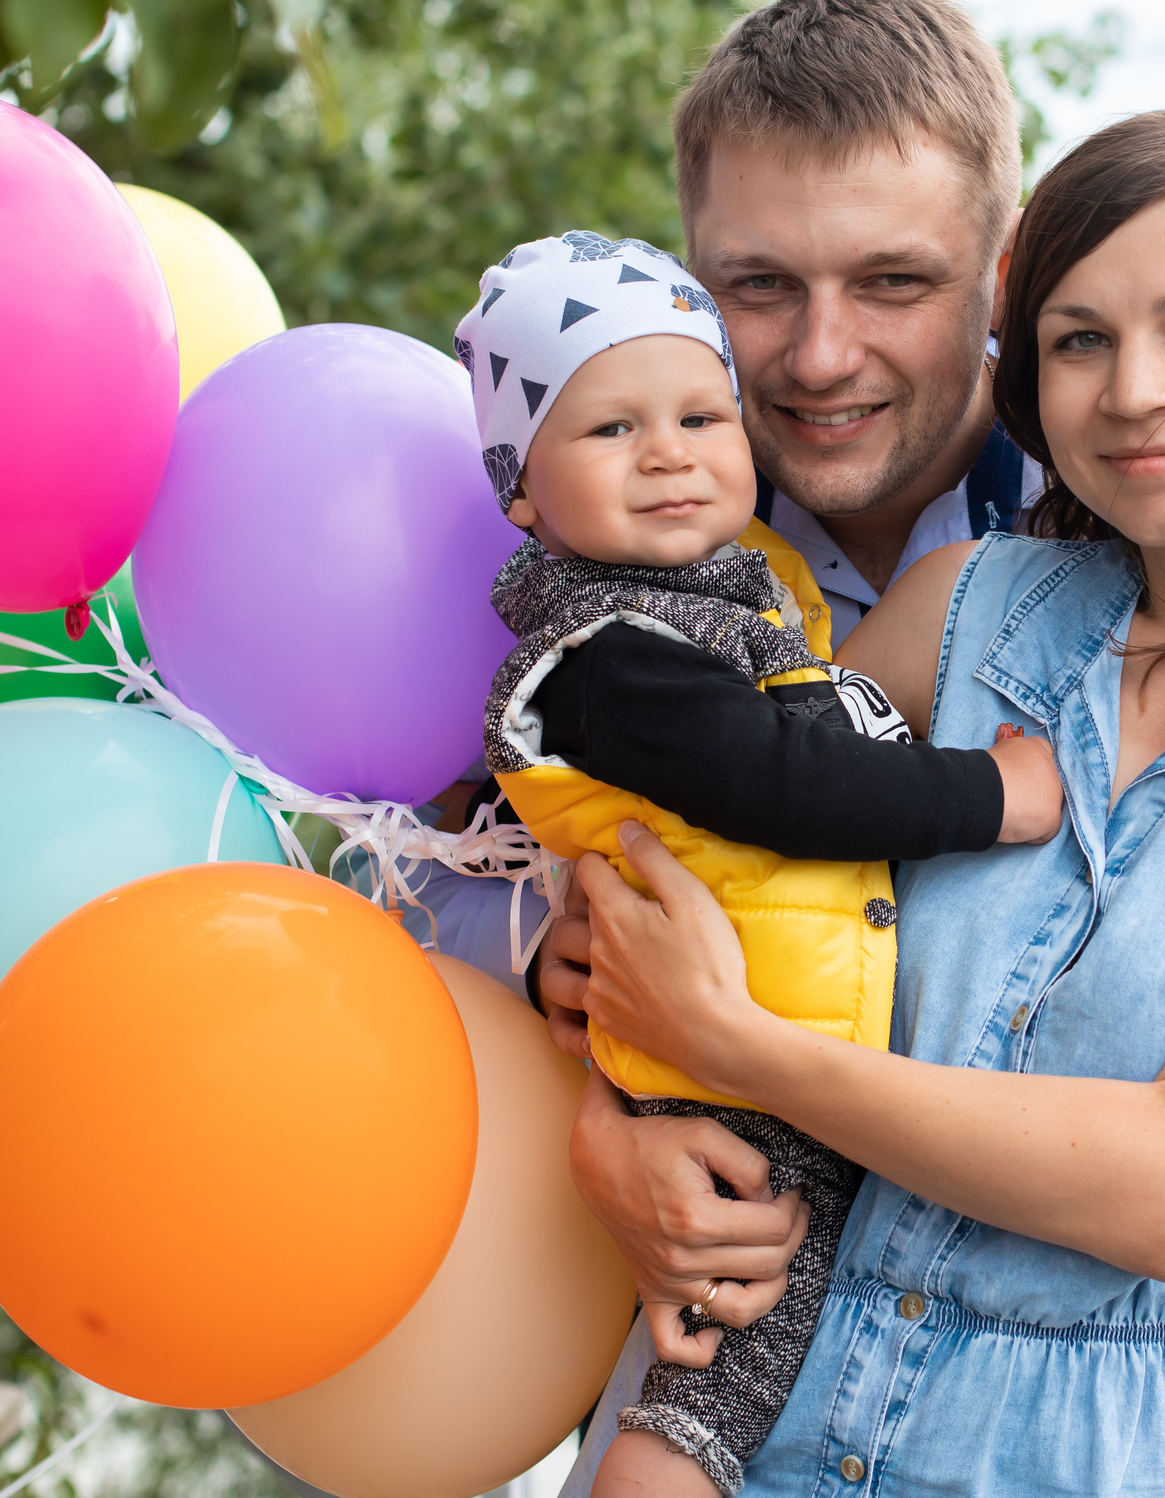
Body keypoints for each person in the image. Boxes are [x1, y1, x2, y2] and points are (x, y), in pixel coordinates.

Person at [392, 0, 1165, 1460]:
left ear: (1004, 268)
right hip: (708, 1353)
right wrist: (570, 1039)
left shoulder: (1148, 519)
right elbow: (403, 860)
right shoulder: (596, 520)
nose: (820, 354)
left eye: (895, 284)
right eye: (759, 287)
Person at [458, 230, 1063, 1495]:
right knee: (724, 1375)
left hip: (782, 1039)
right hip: (731, 1082)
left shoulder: (734, 593)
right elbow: (787, 784)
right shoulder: (610, 652)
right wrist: (989, 793)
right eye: (610, 432)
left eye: (696, 414)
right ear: (522, 494)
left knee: (738, 1364)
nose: (670, 451)